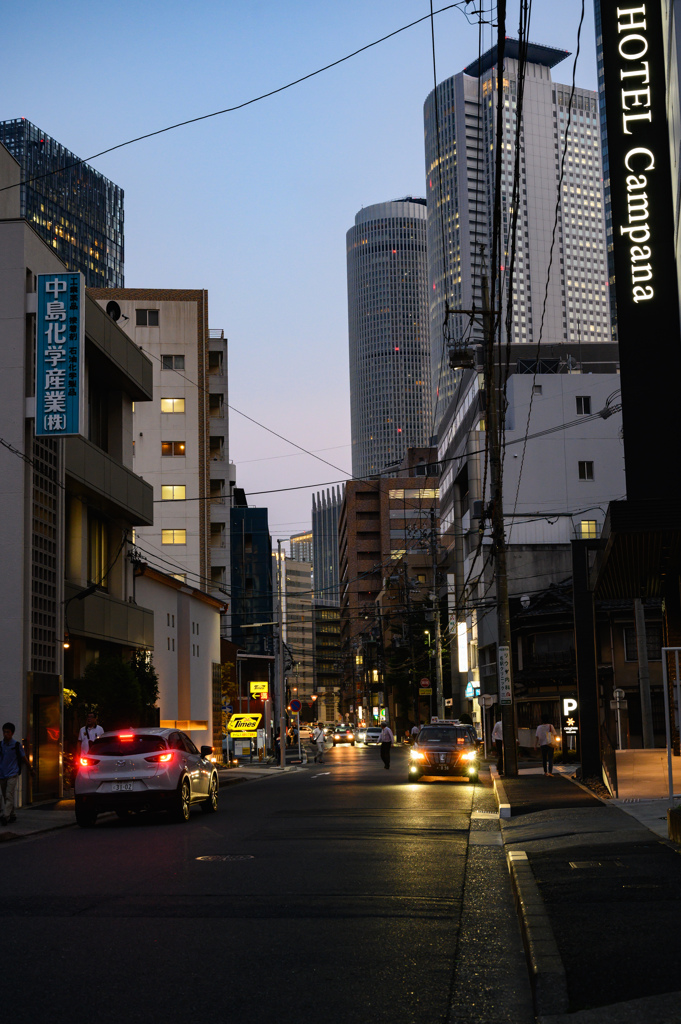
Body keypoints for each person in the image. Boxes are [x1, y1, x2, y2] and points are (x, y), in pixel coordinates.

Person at [0, 723, 33, 826]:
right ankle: (12, 814)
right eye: (4, 732)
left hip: (12, 774)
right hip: (2, 774)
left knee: (9, 795)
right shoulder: (1, 745)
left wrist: (30, 769)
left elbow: (24, 758)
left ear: (12, 733)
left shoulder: (16, 745)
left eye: (8, 732)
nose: (6, 734)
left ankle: (5, 816)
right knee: (5, 795)